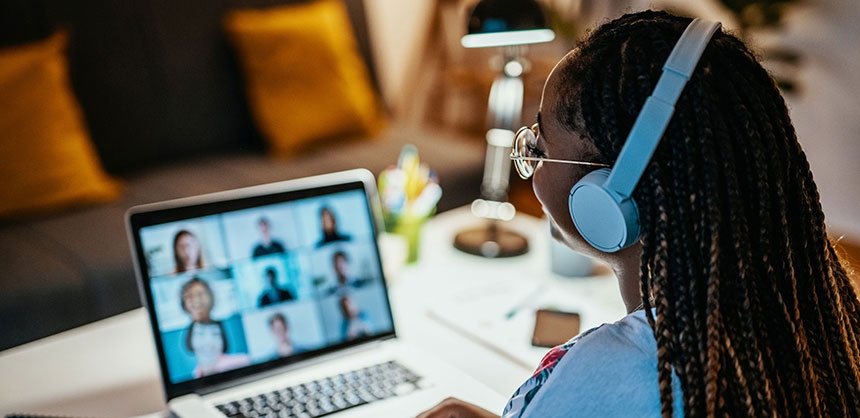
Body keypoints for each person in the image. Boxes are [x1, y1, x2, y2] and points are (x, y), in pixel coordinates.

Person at [419, 11, 860, 418]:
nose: (531, 164)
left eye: (540, 148)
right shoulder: (815, 328)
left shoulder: (611, 373)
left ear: (610, 196)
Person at [185, 319, 250, 378]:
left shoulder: (243, 363)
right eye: (200, 334)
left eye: (215, 334)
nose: (209, 342)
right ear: (190, 340)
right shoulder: (196, 373)